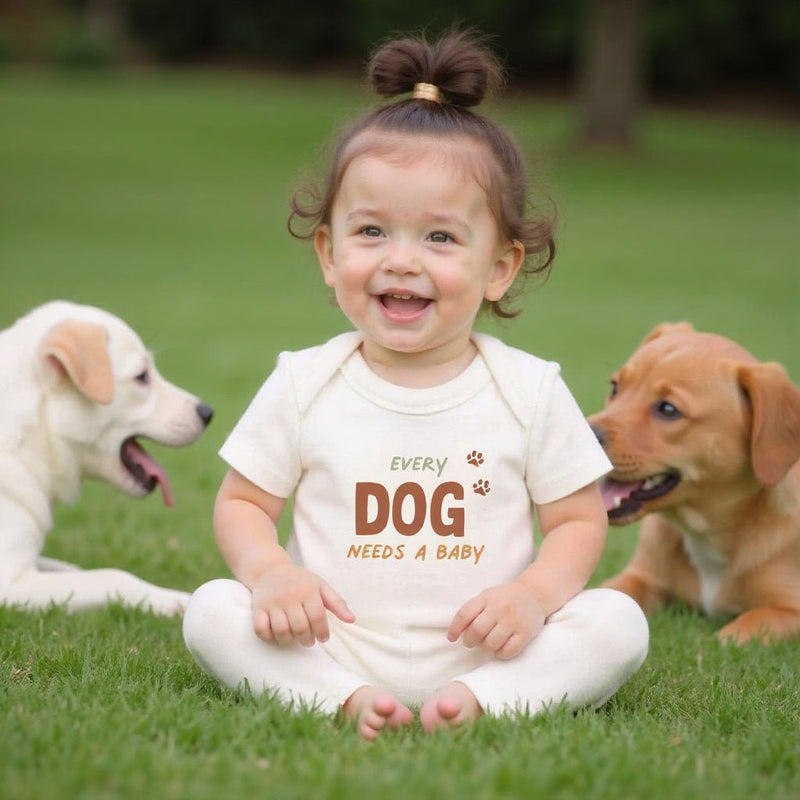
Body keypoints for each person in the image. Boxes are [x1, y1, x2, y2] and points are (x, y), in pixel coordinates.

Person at [183, 29, 649, 740]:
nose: (401, 261)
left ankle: (483, 701)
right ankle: (340, 696)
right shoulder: (305, 381)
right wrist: (272, 573)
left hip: (495, 650)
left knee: (619, 622)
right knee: (213, 609)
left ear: (500, 266)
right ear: (329, 252)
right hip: (330, 643)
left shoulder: (527, 389)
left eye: (439, 238)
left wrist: (531, 597)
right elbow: (244, 502)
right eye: (371, 231)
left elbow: (579, 522)